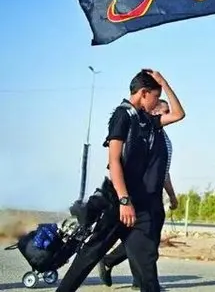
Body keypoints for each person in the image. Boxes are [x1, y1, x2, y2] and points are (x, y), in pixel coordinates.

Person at [56, 70, 185, 292]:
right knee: (90, 254)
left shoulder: (147, 120)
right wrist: (124, 201)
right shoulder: (123, 115)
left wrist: (163, 82)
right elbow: (114, 161)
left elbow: (178, 114)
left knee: (147, 266)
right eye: (156, 96)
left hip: (142, 206)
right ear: (143, 93)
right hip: (118, 202)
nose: (157, 102)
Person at [96, 99, 179, 289]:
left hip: (155, 194)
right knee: (144, 239)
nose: (167, 115)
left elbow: (164, 171)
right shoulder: (144, 133)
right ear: (154, 111)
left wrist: (172, 195)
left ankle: (115, 265)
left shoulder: (162, 137)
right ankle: (140, 280)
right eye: (164, 111)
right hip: (141, 193)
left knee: (146, 239)